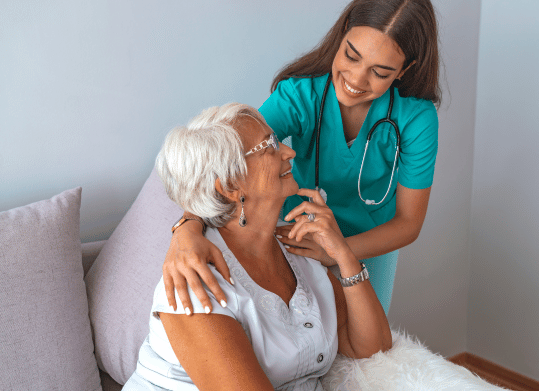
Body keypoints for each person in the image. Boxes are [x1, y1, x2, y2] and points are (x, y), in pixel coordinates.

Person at [162, 0, 440, 315]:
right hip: (297, 235)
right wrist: (187, 228)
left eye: (379, 72)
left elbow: (409, 222)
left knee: (368, 350)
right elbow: (228, 160)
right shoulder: (300, 95)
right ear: (344, 29)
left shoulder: (416, 119)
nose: (356, 79)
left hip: (369, 246)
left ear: (405, 69)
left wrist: (339, 251)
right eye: (351, 56)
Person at [122, 103, 392, 390]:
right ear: (229, 186)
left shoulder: (296, 247)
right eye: (270, 146)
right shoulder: (196, 282)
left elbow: (371, 347)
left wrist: (343, 255)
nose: (290, 152)